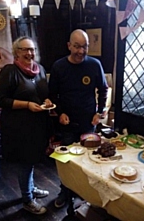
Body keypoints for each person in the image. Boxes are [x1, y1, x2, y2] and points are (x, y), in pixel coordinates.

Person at [49, 29, 108, 208]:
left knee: (88, 160)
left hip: (88, 123)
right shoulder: (58, 66)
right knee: (66, 161)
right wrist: (60, 113)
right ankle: (65, 192)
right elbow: (52, 94)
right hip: (67, 124)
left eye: (84, 46)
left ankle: (84, 192)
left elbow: (103, 89)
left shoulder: (94, 64)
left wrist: (100, 111)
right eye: (77, 46)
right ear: (69, 46)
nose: (81, 51)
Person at [0, 36, 52, 215]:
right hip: (18, 128)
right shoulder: (9, 71)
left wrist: (47, 100)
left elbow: (42, 93)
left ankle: (31, 187)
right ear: (16, 52)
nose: (29, 53)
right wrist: (27, 105)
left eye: (32, 49)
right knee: (24, 163)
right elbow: (1, 100)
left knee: (32, 159)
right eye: (25, 50)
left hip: (37, 125)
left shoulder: (40, 69)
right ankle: (27, 199)